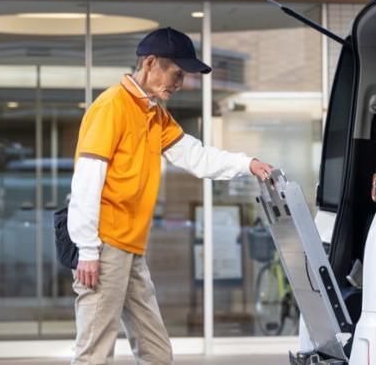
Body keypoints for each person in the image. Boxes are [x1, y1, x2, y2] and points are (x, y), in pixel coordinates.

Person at [67, 27, 273, 365]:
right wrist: (88, 250)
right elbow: (87, 181)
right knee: (94, 354)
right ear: (150, 63)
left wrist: (246, 164)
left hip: (131, 248)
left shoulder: (154, 114)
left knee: (156, 352)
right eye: (177, 73)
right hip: (105, 246)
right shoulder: (112, 107)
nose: (181, 83)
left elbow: (195, 156)